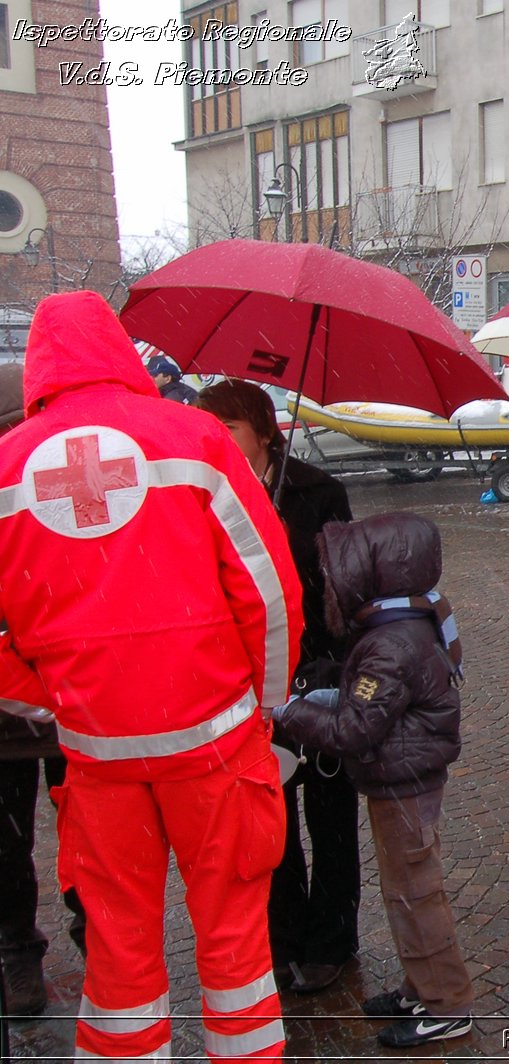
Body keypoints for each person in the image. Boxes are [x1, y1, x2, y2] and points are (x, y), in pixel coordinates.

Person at [0, 292, 301, 1061]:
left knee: (118, 949)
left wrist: (57, 702)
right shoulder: (193, 438)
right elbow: (267, 590)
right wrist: (259, 704)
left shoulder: (6, 468)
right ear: (118, 348)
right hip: (217, 748)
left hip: (97, 757)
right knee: (235, 943)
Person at [272, 513, 474, 1049]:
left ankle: (447, 1002)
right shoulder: (409, 619)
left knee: (415, 893)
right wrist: (329, 696)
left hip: (402, 781)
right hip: (405, 774)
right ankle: (421, 984)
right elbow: (371, 702)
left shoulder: (390, 644)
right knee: (407, 890)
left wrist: (290, 713)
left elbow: (358, 727)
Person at [195, 378, 361, 995]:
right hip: (242, 679)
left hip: (316, 671)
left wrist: (327, 654)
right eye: (210, 428)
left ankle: (333, 938)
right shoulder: (203, 494)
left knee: (329, 811)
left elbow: (344, 590)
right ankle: (284, 933)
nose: (219, 440)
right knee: (268, 818)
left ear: (264, 430)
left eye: (229, 428)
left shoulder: (318, 492)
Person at [0, 362, 85, 1017]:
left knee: (91, 833)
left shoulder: (57, 483)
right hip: (10, 722)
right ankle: (18, 952)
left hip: (73, 701)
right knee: (7, 845)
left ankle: (100, 935)